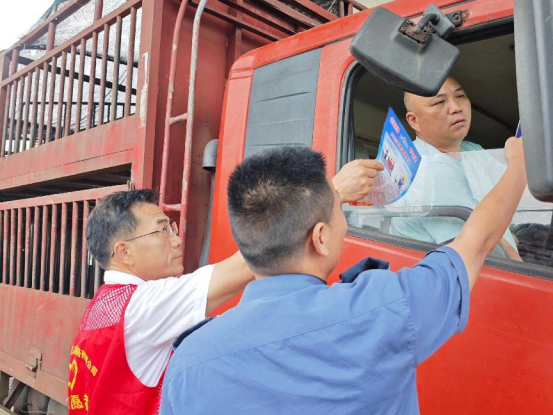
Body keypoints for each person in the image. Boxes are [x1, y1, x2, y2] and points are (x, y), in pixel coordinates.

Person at [161, 141, 526, 415]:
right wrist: (521, 166)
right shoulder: (385, 308)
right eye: (340, 212)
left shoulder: (187, 360)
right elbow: (476, 242)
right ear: (320, 237)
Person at [67, 158, 382, 414]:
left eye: (171, 227)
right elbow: (252, 260)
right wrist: (331, 195)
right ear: (124, 252)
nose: (177, 240)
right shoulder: (143, 307)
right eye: (162, 231)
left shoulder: (106, 305)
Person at [390, 76, 521, 260]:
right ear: (414, 121)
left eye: (460, 96)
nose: (456, 107)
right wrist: (518, 163)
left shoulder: (471, 150)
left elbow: (516, 190)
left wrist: (510, 235)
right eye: (439, 102)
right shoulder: (426, 169)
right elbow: (483, 247)